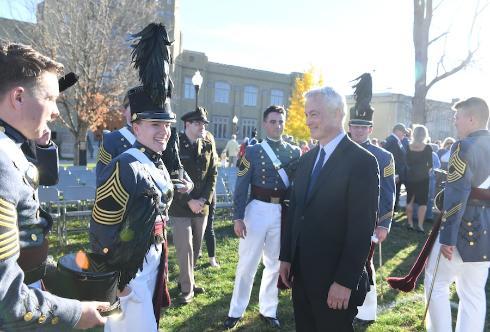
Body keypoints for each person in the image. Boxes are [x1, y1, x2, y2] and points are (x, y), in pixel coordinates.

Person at [0, 41, 106, 330]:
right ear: (18, 98)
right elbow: (7, 303)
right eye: (50, 98)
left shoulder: (10, 146)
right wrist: (75, 313)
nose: (57, 111)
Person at [89, 23, 181, 331]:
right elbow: (102, 227)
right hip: (128, 270)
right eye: (156, 125)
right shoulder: (124, 164)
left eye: (166, 125)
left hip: (153, 258)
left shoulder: (158, 162)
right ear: (136, 126)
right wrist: (114, 279)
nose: (164, 132)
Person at [279, 86, 379, 332]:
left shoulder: (362, 162)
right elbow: (295, 213)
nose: (308, 121)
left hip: (334, 279)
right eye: (306, 114)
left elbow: (361, 227)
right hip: (302, 275)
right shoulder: (306, 160)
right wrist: (286, 257)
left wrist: (345, 281)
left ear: (337, 114)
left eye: (314, 114)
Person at [224, 105, 301, 329]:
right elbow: (241, 185)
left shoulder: (294, 152)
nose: (277, 125)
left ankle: (269, 309)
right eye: (273, 121)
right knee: (247, 264)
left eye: (280, 121)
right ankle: (236, 310)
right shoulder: (253, 151)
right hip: (256, 209)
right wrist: (238, 217)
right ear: (265, 123)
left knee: (275, 264)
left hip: (281, 213)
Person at [424, 97, 490, 332]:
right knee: (473, 294)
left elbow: (456, 194)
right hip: (487, 233)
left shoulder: (463, 146)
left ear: (472, 119)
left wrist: (449, 237)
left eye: (458, 117)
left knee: (436, 283)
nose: (455, 122)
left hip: (462, 228)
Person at [347, 73, 395, 325]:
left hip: (368, 220)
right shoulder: (338, 150)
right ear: (349, 126)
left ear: (371, 129)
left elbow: (389, 192)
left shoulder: (384, 156)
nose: (359, 130)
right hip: (338, 217)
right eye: (355, 126)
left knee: (364, 265)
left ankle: (366, 311)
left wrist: (384, 224)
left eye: (363, 127)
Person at [169, 107, 218, 304]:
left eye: (204, 124)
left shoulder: (208, 143)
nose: (202, 127)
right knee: (185, 247)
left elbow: (213, 173)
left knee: (196, 247)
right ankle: (187, 290)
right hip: (180, 206)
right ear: (187, 124)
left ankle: (186, 281)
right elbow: (172, 176)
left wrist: (203, 200)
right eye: (198, 123)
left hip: (201, 206)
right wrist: (189, 200)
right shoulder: (174, 144)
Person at [405, 125, 433, 233]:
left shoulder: (408, 146)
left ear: (414, 134)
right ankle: (420, 226)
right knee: (423, 203)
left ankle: (410, 223)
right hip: (423, 177)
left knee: (409, 200)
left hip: (410, 176)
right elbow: (430, 164)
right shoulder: (427, 147)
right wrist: (426, 170)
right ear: (425, 134)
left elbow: (406, 161)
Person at [203, 130, 220, 267]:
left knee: (209, 227)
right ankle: (197, 253)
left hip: (209, 195)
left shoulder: (212, 157)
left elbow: (213, 177)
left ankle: (212, 258)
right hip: (194, 194)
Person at [384, 123, 409, 211]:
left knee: (395, 194)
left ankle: (392, 213)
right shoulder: (392, 141)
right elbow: (392, 159)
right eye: (403, 132)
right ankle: (389, 214)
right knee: (391, 194)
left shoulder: (395, 140)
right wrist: (396, 173)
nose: (404, 134)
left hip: (397, 173)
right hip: (394, 174)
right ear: (397, 131)